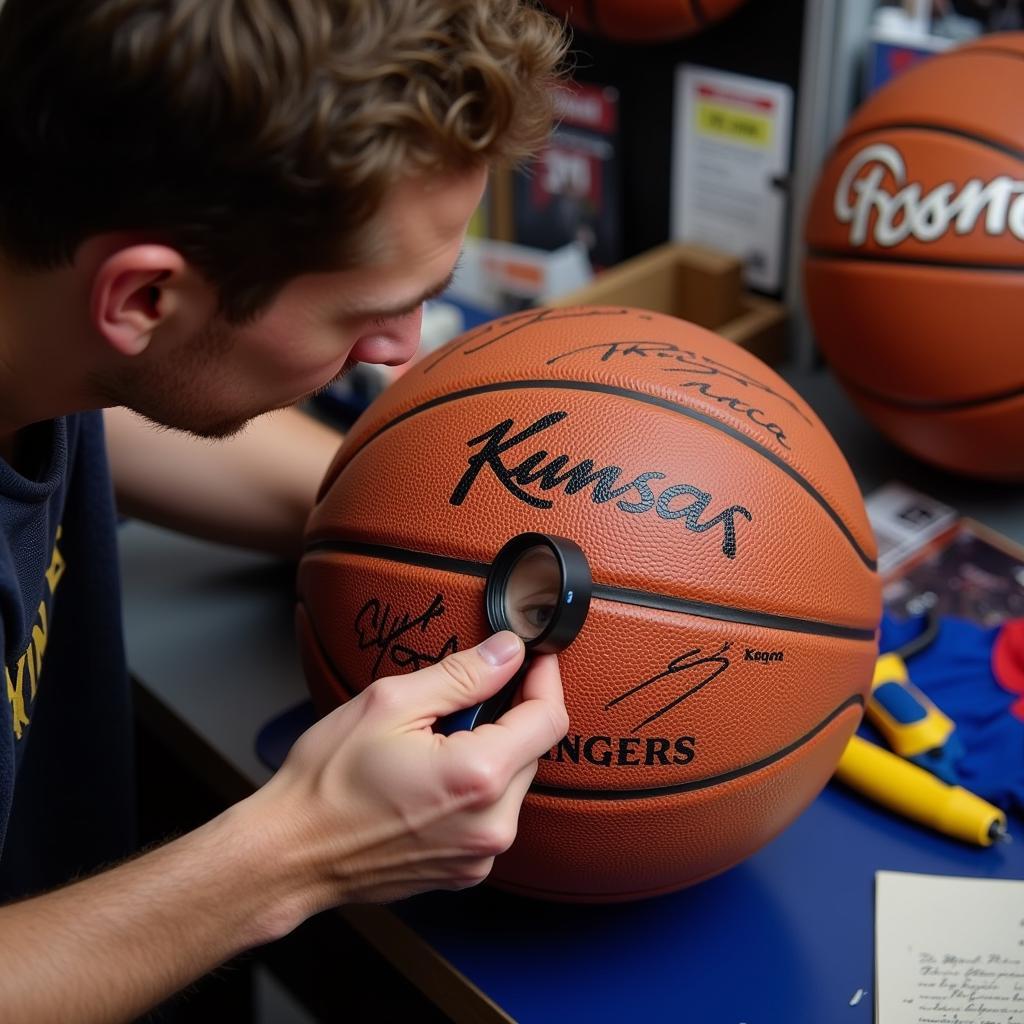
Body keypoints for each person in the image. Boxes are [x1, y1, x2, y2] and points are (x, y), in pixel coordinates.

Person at [0, 0, 571, 1019]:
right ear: (142, 300)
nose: (401, 347)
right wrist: (299, 850)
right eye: (367, 311)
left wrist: (410, 524)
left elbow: (102, 412)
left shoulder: (40, 303)